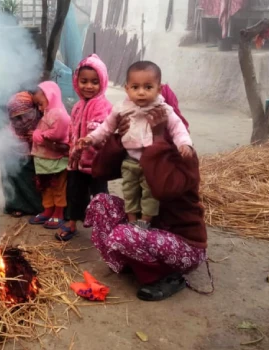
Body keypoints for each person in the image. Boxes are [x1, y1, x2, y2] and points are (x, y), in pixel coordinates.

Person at [84, 94, 207, 302]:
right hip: (147, 230)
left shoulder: (184, 154)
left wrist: (158, 139)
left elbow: (161, 189)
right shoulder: (139, 150)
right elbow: (101, 172)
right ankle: (135, 262)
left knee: (124, 235)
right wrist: (119, 138)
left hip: (185, 244)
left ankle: (165, 277)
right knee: (100, 203)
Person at [76, 61, 192, 229]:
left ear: (159, 89)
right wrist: (90, 139)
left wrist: (185, 144)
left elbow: (178, 128)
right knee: (129, 192)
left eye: (148, 87)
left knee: (150, 193)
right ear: (127, 88)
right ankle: (131, 222)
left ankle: (144, 223)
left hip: (152, 164)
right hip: (130, 161)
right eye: (135, 87)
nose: (141, 92)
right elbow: (106, 128)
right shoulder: (122, 108)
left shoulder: (163, 109)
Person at [57, 54, 113, 241]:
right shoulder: (77, 107)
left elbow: (106, 131)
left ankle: (104, 229)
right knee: (74, 194)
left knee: (100, 197)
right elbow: (73, 130)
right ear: (76, 81)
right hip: (76, 161)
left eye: (95, 82)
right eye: (84, 81)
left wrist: (91, 139)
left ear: (103, 82)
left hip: (96, 163)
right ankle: (72, 223)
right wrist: (69, 146)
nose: (88, 86)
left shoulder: (104, 106)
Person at [28, 81, 72, 230]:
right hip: (45, 159)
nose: (40, 108)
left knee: (58, 187)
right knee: (46, 187)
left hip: (56, 158)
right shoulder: (49, 112)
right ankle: (48, 210)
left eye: (40, 104)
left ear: (50, 96)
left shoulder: (59, 114)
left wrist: (37, 135)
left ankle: (58, 213)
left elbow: (56, 134)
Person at [2, 91, 45, 217]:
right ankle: (17, 204)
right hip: (23, 160)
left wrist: (36, 138)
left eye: (26, 115)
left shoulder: (45, 120)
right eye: (17, 118)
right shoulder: (12, 127)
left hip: (43, 160)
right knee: (8, 162)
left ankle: (41, 207)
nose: (23, 121)